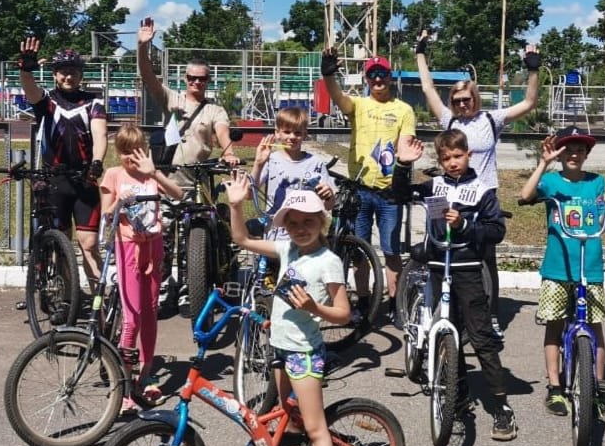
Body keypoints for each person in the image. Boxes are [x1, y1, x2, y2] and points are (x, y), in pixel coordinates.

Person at [226, 176, 350, 446]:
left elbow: (344, 313)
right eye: (292, 223)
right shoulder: (288, 250)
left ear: (321, 221)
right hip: (279, 348)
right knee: (289, 416)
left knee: (315, 430)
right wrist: (237, 206)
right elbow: (241, 239)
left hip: (304, 354)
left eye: (308, 221)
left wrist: (315, 307)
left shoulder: (329, 261)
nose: (299, 228)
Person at [392, 129, 517, 441]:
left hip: (468, 270)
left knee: (481, 337)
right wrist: (403, 165)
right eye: (446, 158)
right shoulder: (434, 187)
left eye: (457, 156)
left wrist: (464, 225)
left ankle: (501, 407)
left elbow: (496, 231)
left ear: (468, 155)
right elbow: (399, 195)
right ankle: (455, 401)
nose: (452, 163)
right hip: (437, 270)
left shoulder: (482, 190)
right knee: (446, 335)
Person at [415, 29, 541, 338]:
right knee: (443, 253)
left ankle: (490, 316)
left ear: (475, 98)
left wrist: (534, 69)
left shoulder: (491, 119)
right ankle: (446, 315)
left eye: (466, 99)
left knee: (485, 258)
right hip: (450, 193)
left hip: (482, 194)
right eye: (456, 101)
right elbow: (428, 89)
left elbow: (529, 102)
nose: (461, 105)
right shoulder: (450, 121)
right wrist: (420, 53)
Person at [137, 16, 238, 315]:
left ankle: (189, 291)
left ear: (208, 80)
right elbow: (148, 77)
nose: (196, 82)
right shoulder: (173, 99)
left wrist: (230, 153)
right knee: (163, 238)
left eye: (202, 78)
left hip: (199, 181)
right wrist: (143, 47)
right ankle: (164, 289)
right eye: (192, 78)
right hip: (169, 181)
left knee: (194, 237)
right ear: (185, 78)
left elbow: (223, 135)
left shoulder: (215, 109)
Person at [519, 126, 605, 416]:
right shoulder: (551, 181)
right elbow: (525, 195)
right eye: (568, 149)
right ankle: (555, 386)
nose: (574, 154)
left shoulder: (597, 183)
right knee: (555, 324)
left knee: (595, 328)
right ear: (560, 154)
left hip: (591, 268)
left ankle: (596, 388)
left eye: (580, 149)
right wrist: (544, 162)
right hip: (557, 268)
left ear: (587, 154)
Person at [321, 48, 417, 323]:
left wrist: (403, 167)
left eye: (382, 74)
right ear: (366, 79)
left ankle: (395, 304)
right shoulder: (359, 105)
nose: (378, 80)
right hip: (360, 190)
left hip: (389, 193)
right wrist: (328, 74)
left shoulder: (403, 110)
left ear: (390, 78)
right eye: (372, 75)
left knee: (391, 252)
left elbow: (405, 146)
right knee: (358, 252)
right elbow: (337, 96)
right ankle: (363, 301)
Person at [99, 123, 184, 414]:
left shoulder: (150, 175)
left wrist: (154, 172)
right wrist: (120, 202)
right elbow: (107, 214)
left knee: (150, 313)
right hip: (128, 249)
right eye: (124, 152)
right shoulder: (114, 175)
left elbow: (179, 194)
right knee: (132, 317)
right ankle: (122, 384)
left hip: (154, 247)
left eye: (135, 152)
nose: (130, 159)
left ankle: (145, 375)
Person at [18, 37, 108, 290]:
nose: (68, 76)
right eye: (63, 72)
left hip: (84, 179)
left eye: (74, 72)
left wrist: (98, 161)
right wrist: (26, 68)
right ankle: (66, 295)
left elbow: (100, 135)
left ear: (81, 75)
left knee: (89, 244)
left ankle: (99, 304)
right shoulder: (47, 102)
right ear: (55, 74)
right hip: (54, 181)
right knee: (60, 243)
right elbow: (30, 89)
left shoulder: (93, 103)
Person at [251, 106, 335, 242]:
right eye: (287, 132)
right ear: (277, 133)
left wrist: (329, 196)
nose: (292, 137)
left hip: (306, 237)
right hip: (275, 236)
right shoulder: (270, 160)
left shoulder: (315, 163)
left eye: (297, 133)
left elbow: (328, 205)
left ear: (305, 134)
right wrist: (258, 163)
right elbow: (250, 195)